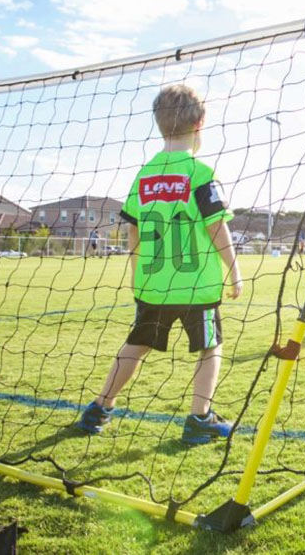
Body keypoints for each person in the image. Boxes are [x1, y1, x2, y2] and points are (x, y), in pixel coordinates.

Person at [77, 85, 243, 444]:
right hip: (196, 285)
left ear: (157, 123)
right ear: (201, 123)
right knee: (210, 347)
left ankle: (99, 408)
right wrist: (234, 271)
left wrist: (137, 271)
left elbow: (132, 231)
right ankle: (200, 418)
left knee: (136, 344)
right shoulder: (200, 173)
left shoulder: (144, 175)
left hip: (152, 284)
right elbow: (217, 226)